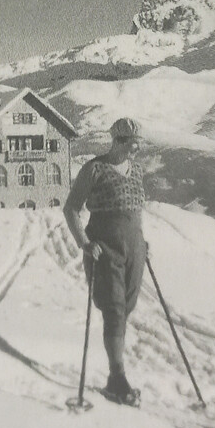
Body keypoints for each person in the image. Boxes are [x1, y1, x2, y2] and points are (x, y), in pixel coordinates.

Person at [63, 117, 147, 406]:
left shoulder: (136, 170)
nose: (135, 151)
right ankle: (117, 377)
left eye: (138, 146)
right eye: (132, 146)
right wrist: (84, 243)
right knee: (113, 309)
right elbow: (71, 208)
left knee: (127, 307)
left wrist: (141, 242)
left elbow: (135, 209)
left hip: (134, 248)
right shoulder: (94, 169)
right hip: (104, 247)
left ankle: (116, 373)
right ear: (117, 141)